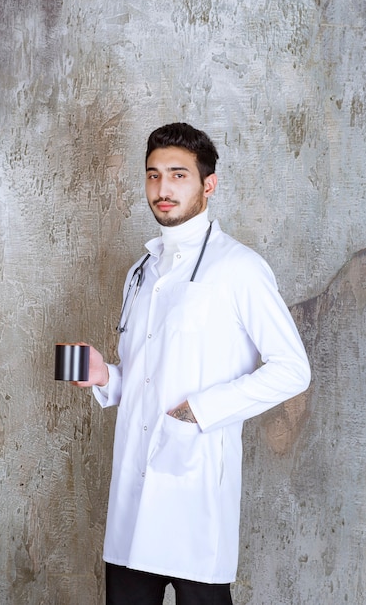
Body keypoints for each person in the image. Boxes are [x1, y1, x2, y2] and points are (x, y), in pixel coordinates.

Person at [73, 123, 311, 604]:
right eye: (153, 175)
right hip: (131, 502)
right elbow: (145, 378)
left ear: (209, 184)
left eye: (178, 175)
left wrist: (199, 410)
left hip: (194, 494)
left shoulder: (239, 268)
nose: (163, 189)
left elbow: (292, 368)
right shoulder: (141, 272)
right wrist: (105, 377)